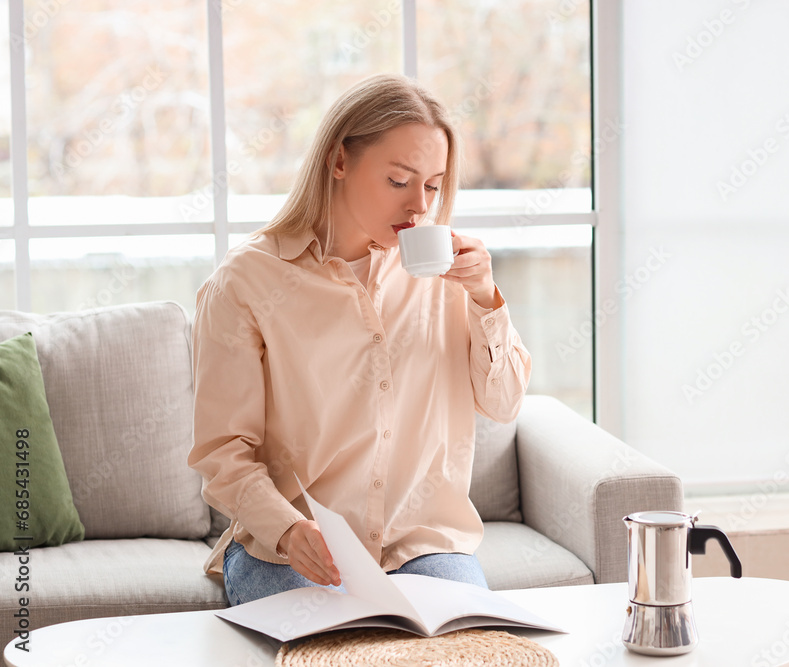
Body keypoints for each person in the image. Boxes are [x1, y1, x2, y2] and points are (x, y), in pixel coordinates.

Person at [187, 73, 531, 607]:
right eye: (399, 180)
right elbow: (223, 451)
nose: (420, 206)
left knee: (470, 650)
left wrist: (487, 300)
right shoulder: (248, 282)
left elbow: (504, 403)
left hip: (421, 544)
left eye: (434, 185)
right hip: (294, 549)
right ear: (340, 161)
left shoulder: (451, 273)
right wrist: (285, 529)